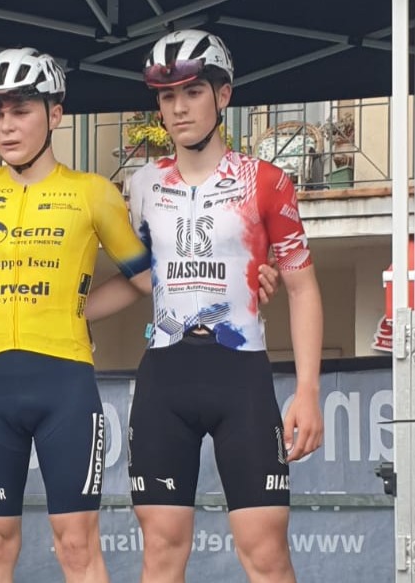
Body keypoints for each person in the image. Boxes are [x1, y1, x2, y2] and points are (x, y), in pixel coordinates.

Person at [86, 29, 324, 583]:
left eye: (192, 92)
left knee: (265, 553)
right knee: (161, 552)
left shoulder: (267, 182)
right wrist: (68, 311)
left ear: (223, 95)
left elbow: (303, 288)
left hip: (240, 375)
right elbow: (142, 280)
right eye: (167, 96)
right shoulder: (144, 185)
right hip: (165, 376)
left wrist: (308, 391)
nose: (178, 108)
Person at [0, 47, 152, 583]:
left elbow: (143, 280)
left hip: (64, 382)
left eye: (20, 111)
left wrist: (76, 310)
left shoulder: (93, 192)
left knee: (76, 544)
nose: (5, 126)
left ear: (56, 114)